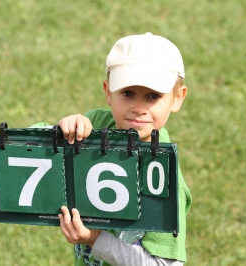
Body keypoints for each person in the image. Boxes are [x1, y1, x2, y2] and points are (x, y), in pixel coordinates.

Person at [57, 32, 192, 266]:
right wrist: (62, 129)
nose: (139, 108)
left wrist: (94, 239)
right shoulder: (97, 125)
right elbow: (32, 146)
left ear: (177, 98)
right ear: (108, 91)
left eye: (152, 96)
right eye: (128, 93)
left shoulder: (163, 174)